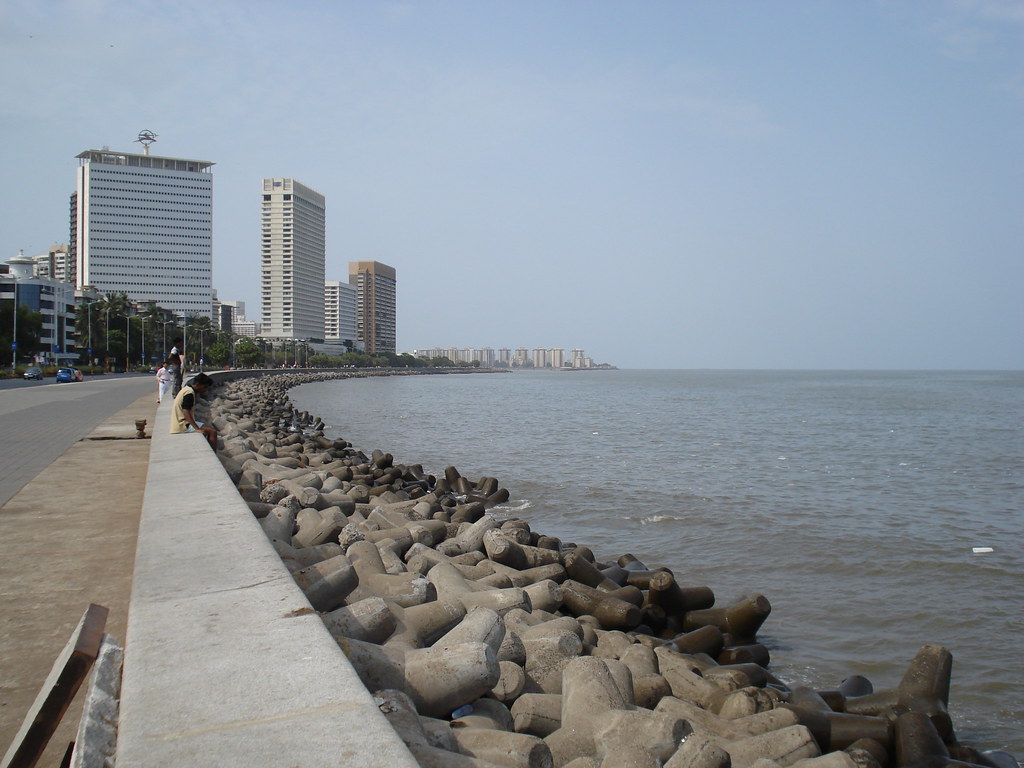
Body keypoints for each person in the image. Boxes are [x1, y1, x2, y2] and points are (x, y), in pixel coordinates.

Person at [170, 372, 218, 448]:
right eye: (204, 387)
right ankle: (214, 454)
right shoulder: (189, 393)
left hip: (181, 422)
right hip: (182, 425)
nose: (205, 390)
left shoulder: (186, 389)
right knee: (212, 432)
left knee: (208, 429)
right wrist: (197, 428)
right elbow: (186, 411)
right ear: (198, 384)